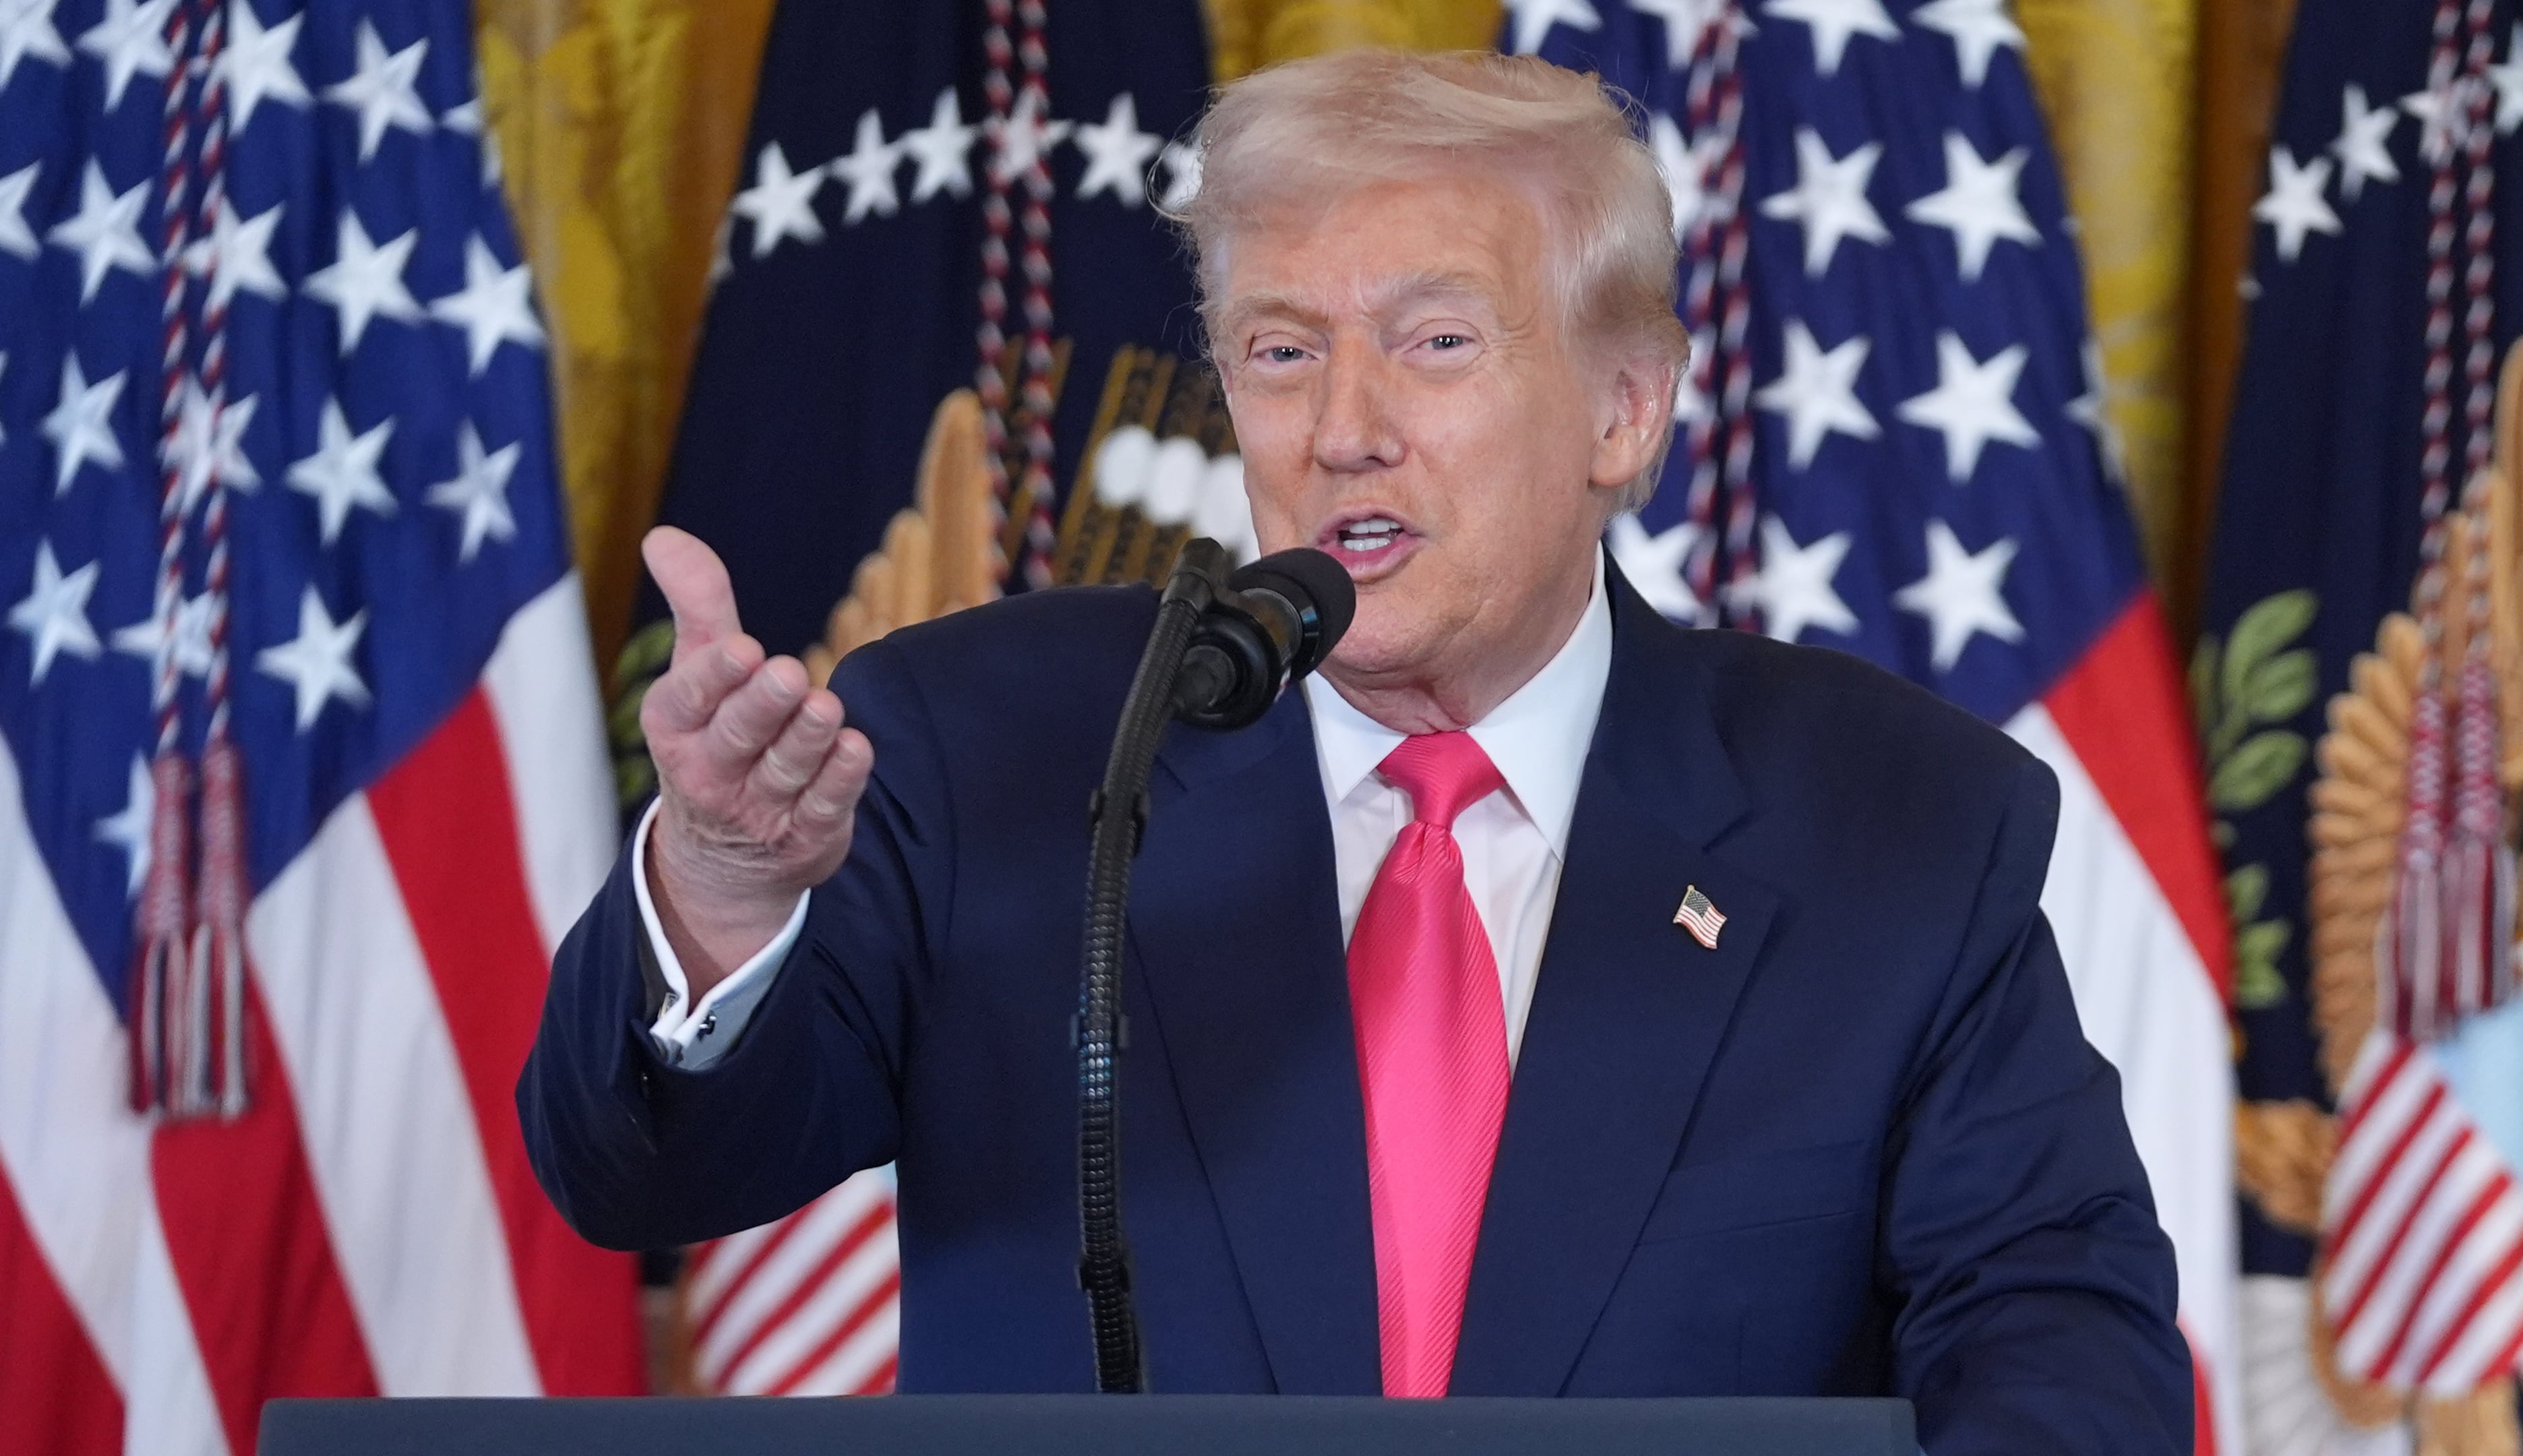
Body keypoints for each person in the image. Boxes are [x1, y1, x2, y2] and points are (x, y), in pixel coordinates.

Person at [518, 49, 2189, 1451]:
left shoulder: (1895, 818)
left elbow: (2051, 1323)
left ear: (1627, 408)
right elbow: (640, 1174)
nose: (1344, 427)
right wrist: (723, 890)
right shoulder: (987, 748)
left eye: (1437, 341)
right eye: (1282, 350)